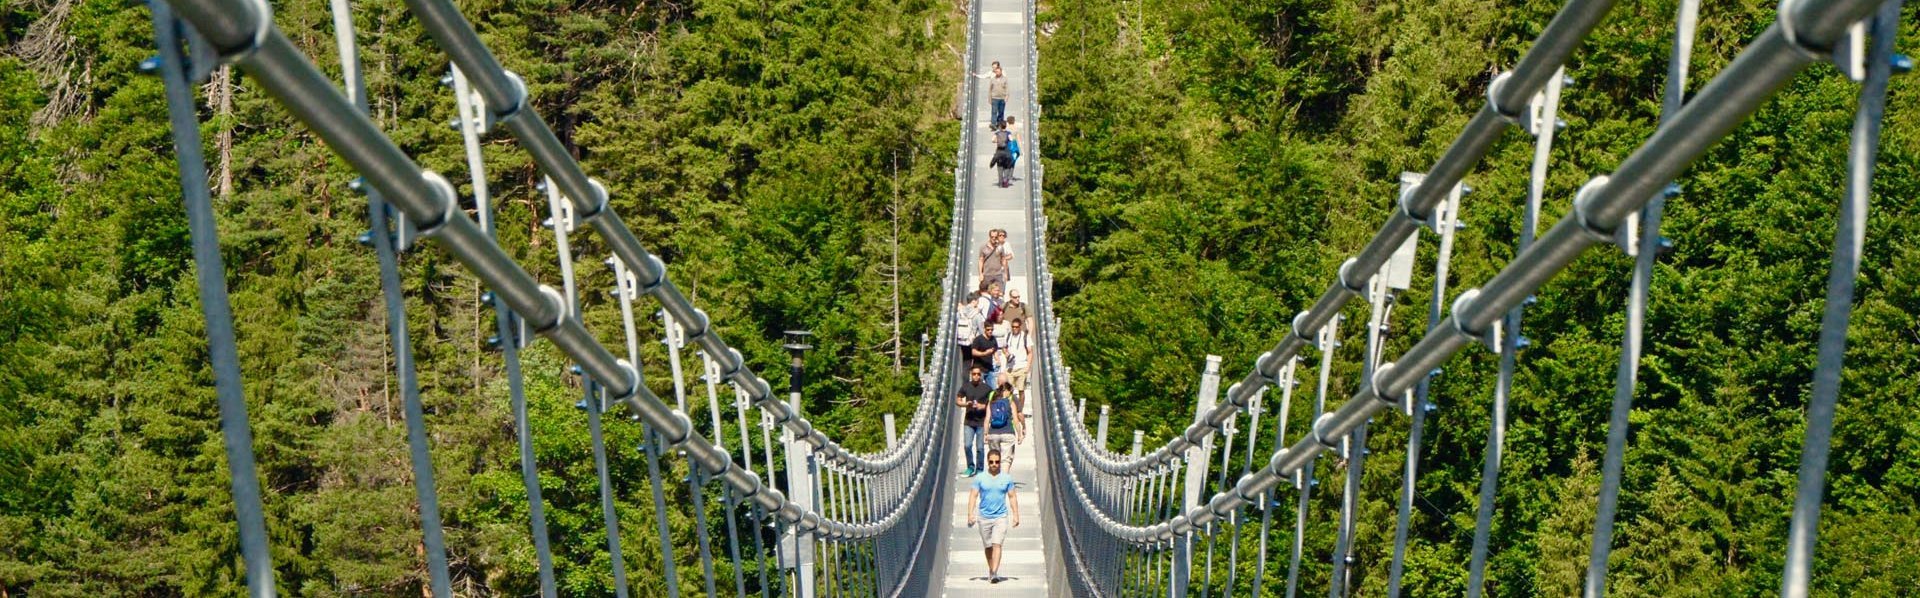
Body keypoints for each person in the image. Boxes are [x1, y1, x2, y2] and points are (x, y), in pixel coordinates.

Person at [967, 449, 1020, 584]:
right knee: (988, 547)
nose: (994, 464)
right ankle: (991, 570)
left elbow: (1012, 496)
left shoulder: (1006, 478)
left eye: (997, 462)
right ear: (988, 462)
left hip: (1001, 516)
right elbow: (973, 495)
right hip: (984, 516)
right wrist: (970, 514)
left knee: (997, 544)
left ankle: (995, 572)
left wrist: (1016, 515)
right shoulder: (980, 478)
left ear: (1000, 462)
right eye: (991, 462)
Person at [955, 365, 992, 477]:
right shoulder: (966, 386)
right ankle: (970, 467)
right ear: (971, 375)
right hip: (969, 421)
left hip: (981, 422)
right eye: (974, 374)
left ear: (981, 375)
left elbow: (992, 403)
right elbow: (958, 399)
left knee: (980, 448)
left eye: (978, 374)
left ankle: (980, 469)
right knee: (967, 445)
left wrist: (983, 406)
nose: (976, 376)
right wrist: (965, 404)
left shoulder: (987, 388)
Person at [985, 382, 1023, 467]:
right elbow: (1016, 420)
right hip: (1008, 432)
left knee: (995, 459)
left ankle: (996, 478)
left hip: (993, 433)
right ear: (1008, 391)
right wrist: (1019, 434)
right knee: (1005, 460)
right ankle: (1004, 478)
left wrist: (985, 434)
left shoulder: (991, 403)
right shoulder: (1010, 403)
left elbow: (987, 419)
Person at [1000, 318, 1033, 414]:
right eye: (1013, 327)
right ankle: (1008, 409)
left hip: (1021, 367)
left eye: (1016, 327)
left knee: (1021, 390)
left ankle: (1020, 410)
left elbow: (1030, 352)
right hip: (1010, 367)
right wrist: (1006, 353)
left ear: (1020, 327)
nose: (1014, 329)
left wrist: (1028, 367)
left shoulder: (1025, 337)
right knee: (1008, 389)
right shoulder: (1008, 335)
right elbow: (1003, 347)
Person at [970, 61, 1008, 127]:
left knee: (1001, 111)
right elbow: (984, 76)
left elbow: (1006, 86)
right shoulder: (991, 74)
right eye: (992, 67)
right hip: (994, 96)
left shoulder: (1003, 73)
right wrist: (976, 75)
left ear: (998, 67)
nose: (993, 68)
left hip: (1002, 96)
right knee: (994, 111)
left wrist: (1007, 96)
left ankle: (1000, 123)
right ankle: (993, 124)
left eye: (995, 67)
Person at [970, 322, 1000, 389]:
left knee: (993, 389)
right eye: (988, 330)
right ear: (984, 329)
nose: (990, 331)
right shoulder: (978, 339)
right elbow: (973, 352)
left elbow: (994, 351)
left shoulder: (993, 339)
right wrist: (984, 353)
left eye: (992, 330)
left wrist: (998, 360)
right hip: (979, 368)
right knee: (978, 389)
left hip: (989, 368)